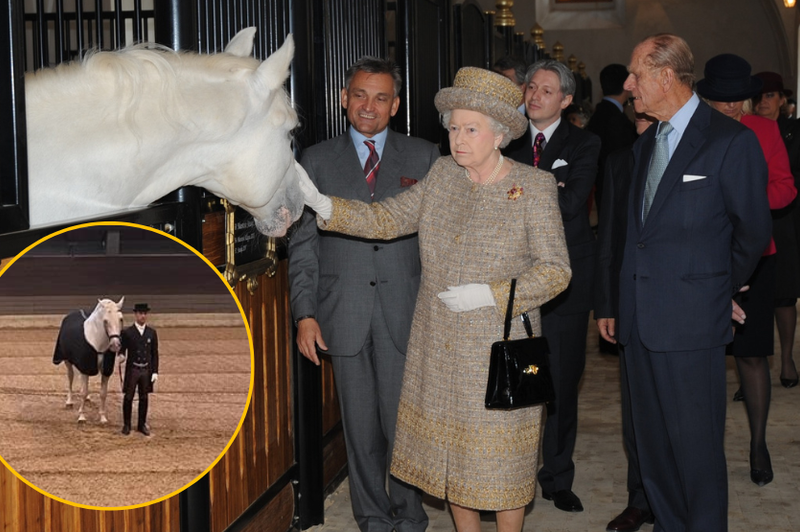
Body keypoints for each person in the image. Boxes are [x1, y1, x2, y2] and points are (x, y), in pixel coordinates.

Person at [299, 66, 571, 532]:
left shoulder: (533, 187)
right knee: (451, 465)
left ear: (499, 134)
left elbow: (556, 272)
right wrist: (324, 205)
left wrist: (491, 295)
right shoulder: (443, 175)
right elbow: (385, 219)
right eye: (452, 127)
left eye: (470, 129)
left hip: (501, 348)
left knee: (502, 466)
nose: (457, 138)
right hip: (439, 347)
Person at [619, 34, 772, 531]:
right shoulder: (645, 145)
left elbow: (752, 231)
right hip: (640, 322)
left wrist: (716, 289)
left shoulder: (731, 140)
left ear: (666, 76)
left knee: (696, 452)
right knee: (654, 447)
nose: (628, 85)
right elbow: (636, 237)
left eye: (635, 74)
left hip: (691, 323)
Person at [286, 57, 440, 532]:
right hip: (342, 312)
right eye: (359, 95)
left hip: (406, 310)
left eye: (379, 97)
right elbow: (304, 246)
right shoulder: (314, 160)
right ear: (343, 99)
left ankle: (410, 515)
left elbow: (438, 242)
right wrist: (304, 314)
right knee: (359, 428)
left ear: (395, 104)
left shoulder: (426, 156)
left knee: (404, 424)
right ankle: (372, 516)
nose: (367, 106)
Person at [503, 58, 601, 513]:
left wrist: (519, 191)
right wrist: (545, 186)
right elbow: (494, 201)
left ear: (565, 99)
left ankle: (557, 476)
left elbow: (570, 204)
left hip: (565, 282)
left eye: (546, 90)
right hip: (511, 278)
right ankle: (510, 480)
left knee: (560, 381)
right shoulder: (505, 138)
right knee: (517, 380)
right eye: (530, 88)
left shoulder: (585, 143)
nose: (534, 95)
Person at [697, 54, 796, 487]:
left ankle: (758, 445)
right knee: (703, 359)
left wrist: (746, 199)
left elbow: (785, 187)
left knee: (752, 354)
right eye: (725, 100)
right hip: (703, 259)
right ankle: (701, 449)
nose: (734, 107)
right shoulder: (692, 131)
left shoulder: (765, 129)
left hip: (756, 255)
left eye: (740, 99)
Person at [594, 111, 657, 532]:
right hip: (631, 303)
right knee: (636, 412)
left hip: (682, 304)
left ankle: (678, 500)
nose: (641, 119)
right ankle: (641, 499)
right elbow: (609, 240)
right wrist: (606, 305)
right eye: (637, 114)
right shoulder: (621, 162)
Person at [754, 71, 800, 390]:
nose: (763, 102)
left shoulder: (795, 131)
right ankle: (752, 366)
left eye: (770, 96)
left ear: (782, 99)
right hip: (753, 219)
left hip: (786, 219)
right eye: (758, 97)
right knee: (754, 295)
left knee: (784, 295)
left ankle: (786, 358)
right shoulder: (747, 130)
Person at [587, 64, 638, 216]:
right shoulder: (616, 119)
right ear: (626, 86)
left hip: (603, 187)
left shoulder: (599, 113)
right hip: (617, 192)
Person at [119, 302, 159, 436]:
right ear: (135, 315)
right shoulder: (127, 332)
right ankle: (127, 424)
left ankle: (142, 424)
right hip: (133, 368)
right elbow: (122, 349)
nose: (143, 316)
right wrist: (121, 356)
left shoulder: (151, 333)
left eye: (145, 313)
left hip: (146, 370)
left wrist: (155, 371)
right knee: (128, 397)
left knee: (144, 398)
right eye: (140, 313)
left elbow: (154, 354)